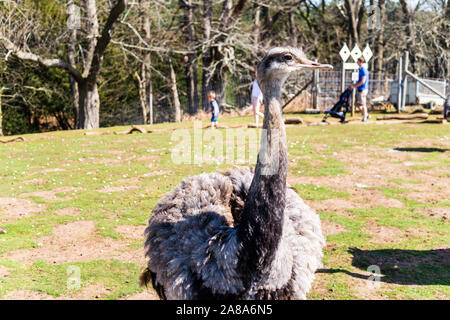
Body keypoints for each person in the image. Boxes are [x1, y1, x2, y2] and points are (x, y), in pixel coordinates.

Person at [350, 57, 370, 122]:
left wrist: (354, 86)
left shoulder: (363, 70)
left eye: (358, 61)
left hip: (362, 89)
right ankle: (366, 114)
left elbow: (362, 81)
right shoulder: (360, 69)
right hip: (359, 89)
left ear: (361, 62)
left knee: (363, 104)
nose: (357, 62)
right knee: (357, 104)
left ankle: (365, 117)